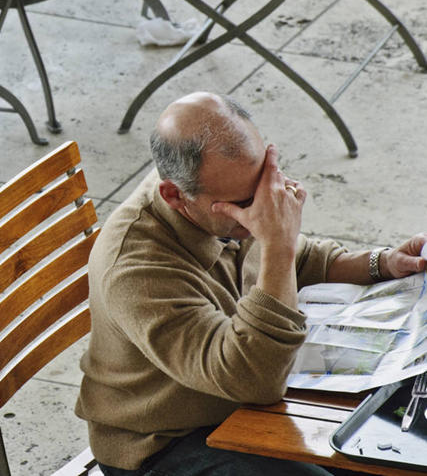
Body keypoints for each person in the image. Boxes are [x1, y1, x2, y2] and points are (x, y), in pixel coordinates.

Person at [75, 91, 427, 476]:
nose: (264, 209)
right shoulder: (137, 270)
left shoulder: (215, 198)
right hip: (164, 439)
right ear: (175, 196)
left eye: (266, 185)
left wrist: (383, 263)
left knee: (399, 452)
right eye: (249, 201)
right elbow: (253, 379)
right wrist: (277, 243)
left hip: (237, 394)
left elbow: (301, 260)